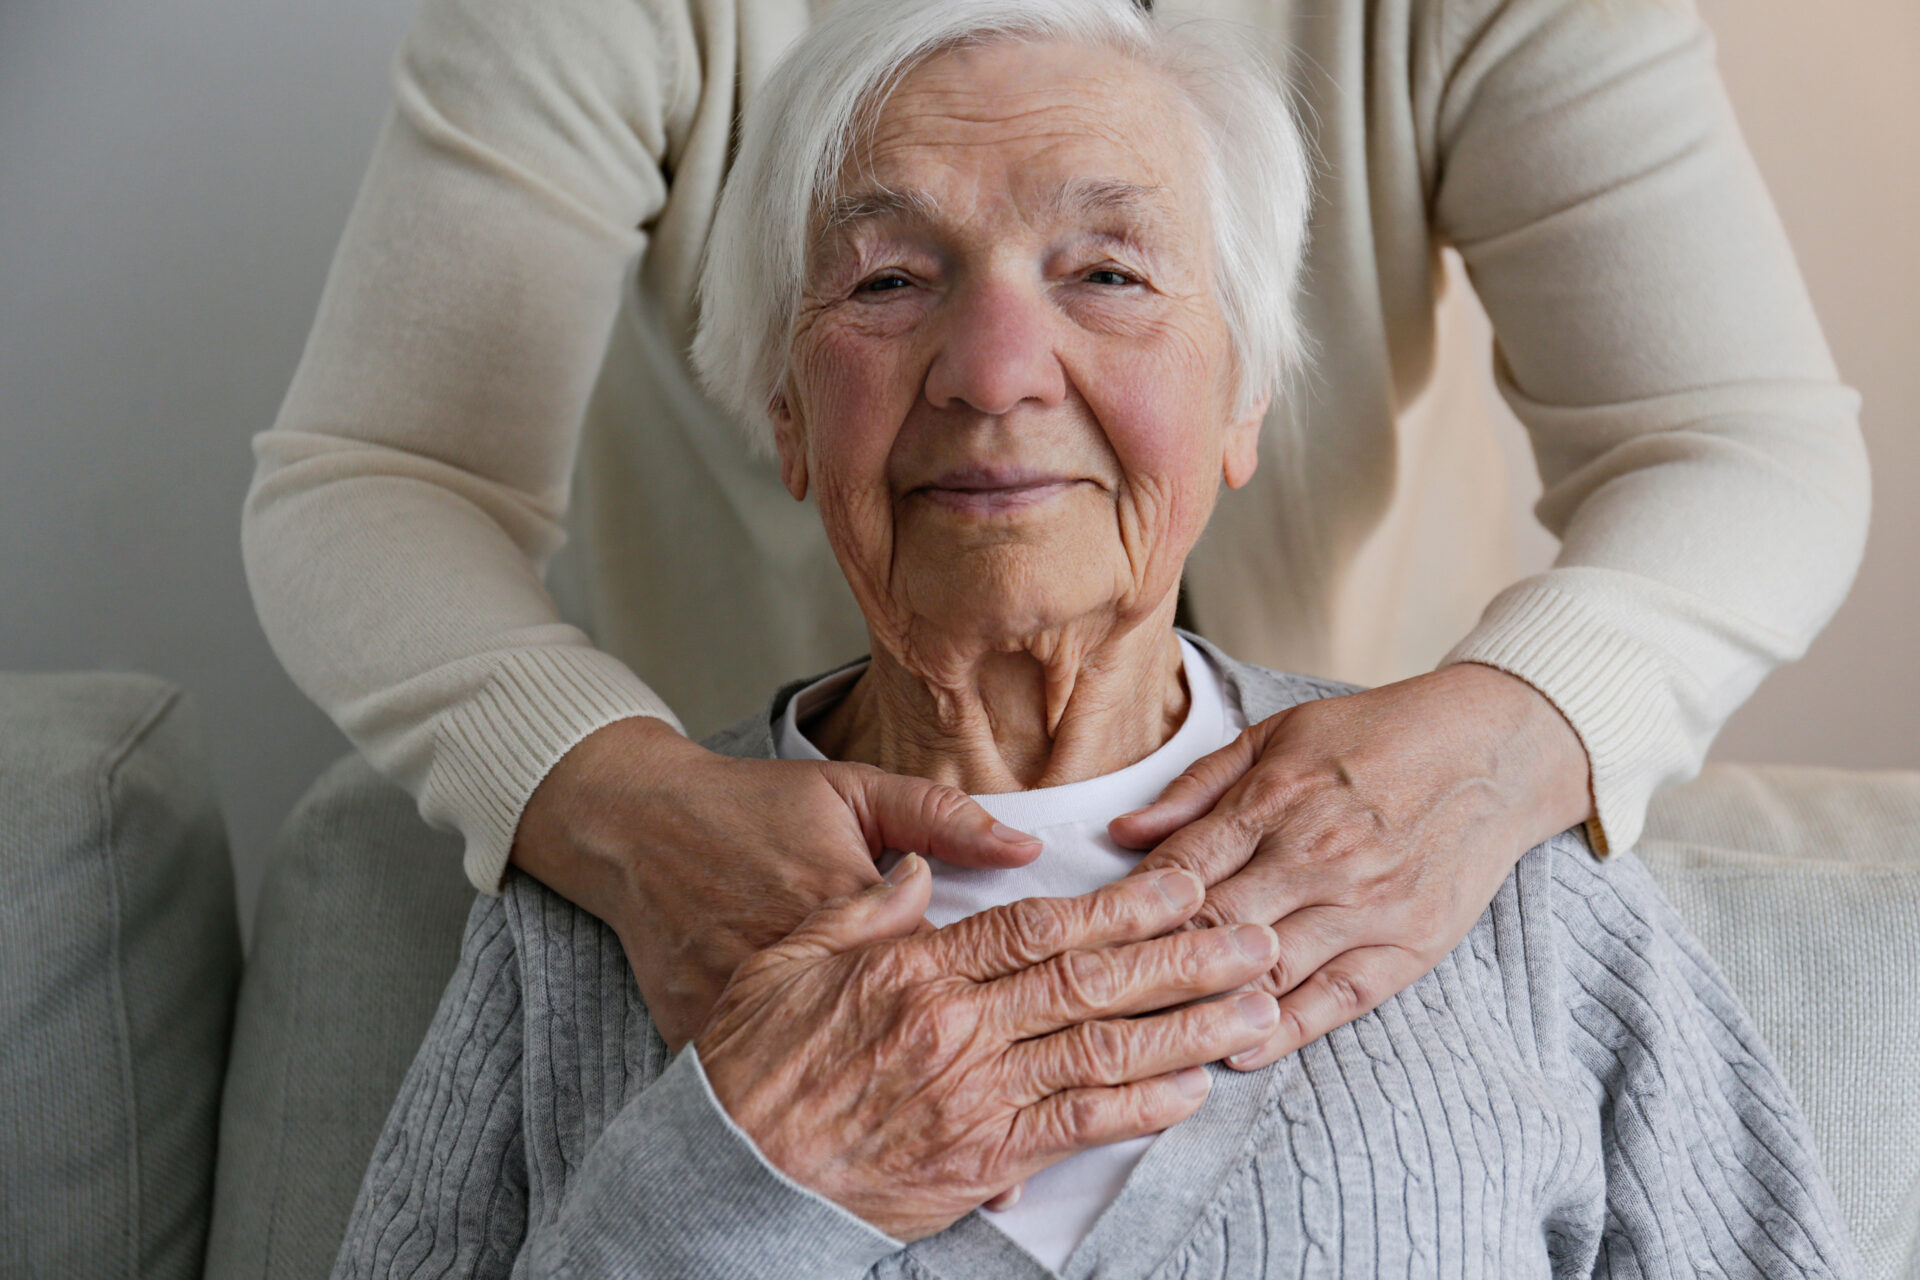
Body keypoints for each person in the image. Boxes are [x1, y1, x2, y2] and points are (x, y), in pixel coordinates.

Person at [333, 5, 1856, 1274]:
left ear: (1246, 397)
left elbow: (1745, 444)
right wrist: (728, 1181)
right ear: (782, 418)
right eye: (887, 281)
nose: (995, 372)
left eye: (1110, 274)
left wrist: (1518, 732)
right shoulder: (604, 916)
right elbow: (377, 473)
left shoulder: (1509, 887)